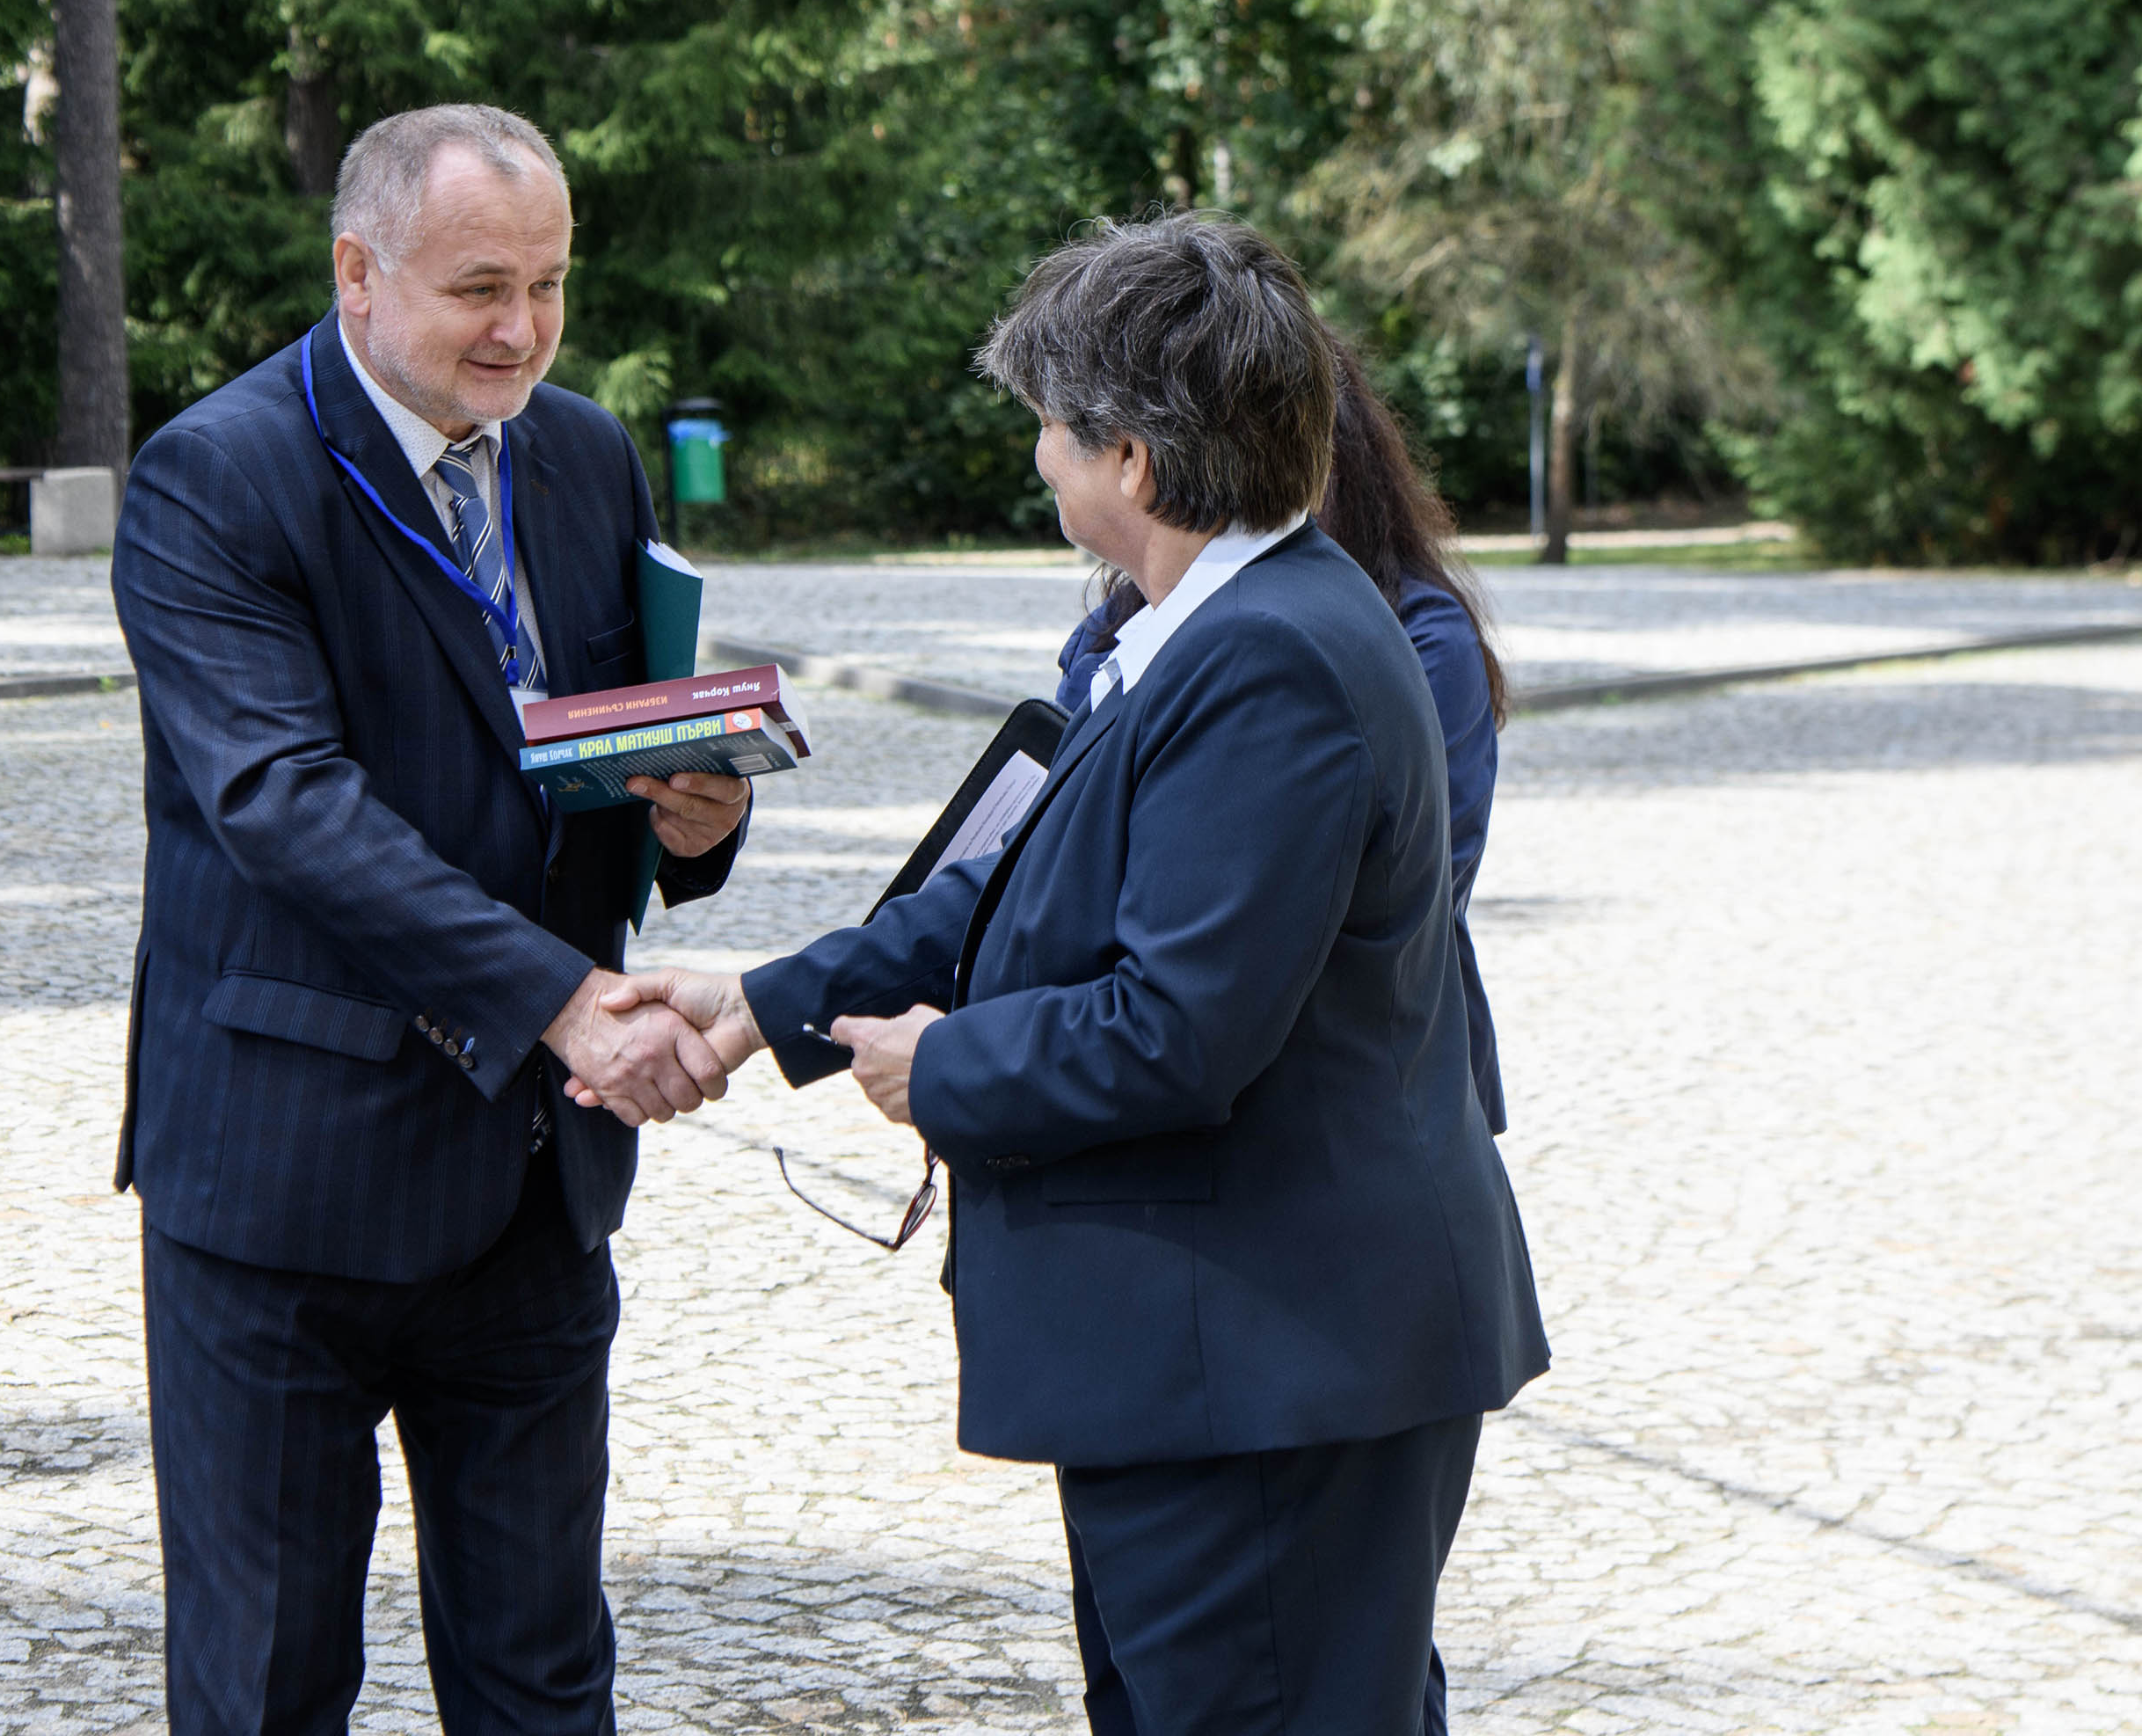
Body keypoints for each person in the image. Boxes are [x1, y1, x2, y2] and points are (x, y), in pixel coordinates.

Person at [589, 215, 1548, 1734]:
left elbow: (1178, 1028)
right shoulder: (1207, 623)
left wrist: (941, 1069)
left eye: (1050, 422)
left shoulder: (1272, 657)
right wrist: (769, 1005)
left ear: (1135, 465)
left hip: (1270, 1366)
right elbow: (1016, 885)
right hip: (1216, 1361)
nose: (1037, 453)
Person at [109, 105, 750, 1735]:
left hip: (533, 1189)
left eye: (549, 284)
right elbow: (285, 806)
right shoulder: (216, 476)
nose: (522, 329)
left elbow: (603, 747)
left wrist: (696, 815)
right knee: (267, 1688)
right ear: (358, 271)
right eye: (479, 288)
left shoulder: (587, 455)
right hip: (286, 1189)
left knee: (546, 1684)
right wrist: (563, 1001)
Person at [1055, 333, 1513, 1730]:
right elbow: (1049, 862)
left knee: (1325, 1667)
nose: (1040, 456)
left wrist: (966, 1054)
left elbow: (1297, 934)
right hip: (1161, 1226)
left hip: (1313, 1205)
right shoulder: (1131, 628)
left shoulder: (1373, 637)